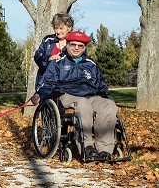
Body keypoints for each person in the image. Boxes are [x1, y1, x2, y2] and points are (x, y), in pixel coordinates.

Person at [31, 30, 118, 161]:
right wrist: (40, 95)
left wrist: (108, 98)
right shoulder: (58, 62)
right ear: (67, 45)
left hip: (91, 96)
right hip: (67, 95)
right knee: (83, 103)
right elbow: (48, 83)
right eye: (73, 45)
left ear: (85, 48)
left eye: (80, 45)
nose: (76, 48)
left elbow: (101, 86)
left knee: (109, 105)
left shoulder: (91, 64)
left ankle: (105, 149)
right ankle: (87, 147)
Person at [34, 13, 74, 90]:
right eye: (56, 28)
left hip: (68, 85)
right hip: (46, 84)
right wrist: (48, 58)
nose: (58, 31)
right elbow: (37, 56)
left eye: (61, 28)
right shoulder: (47, 40)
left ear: (69, 28)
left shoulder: (76, 43)